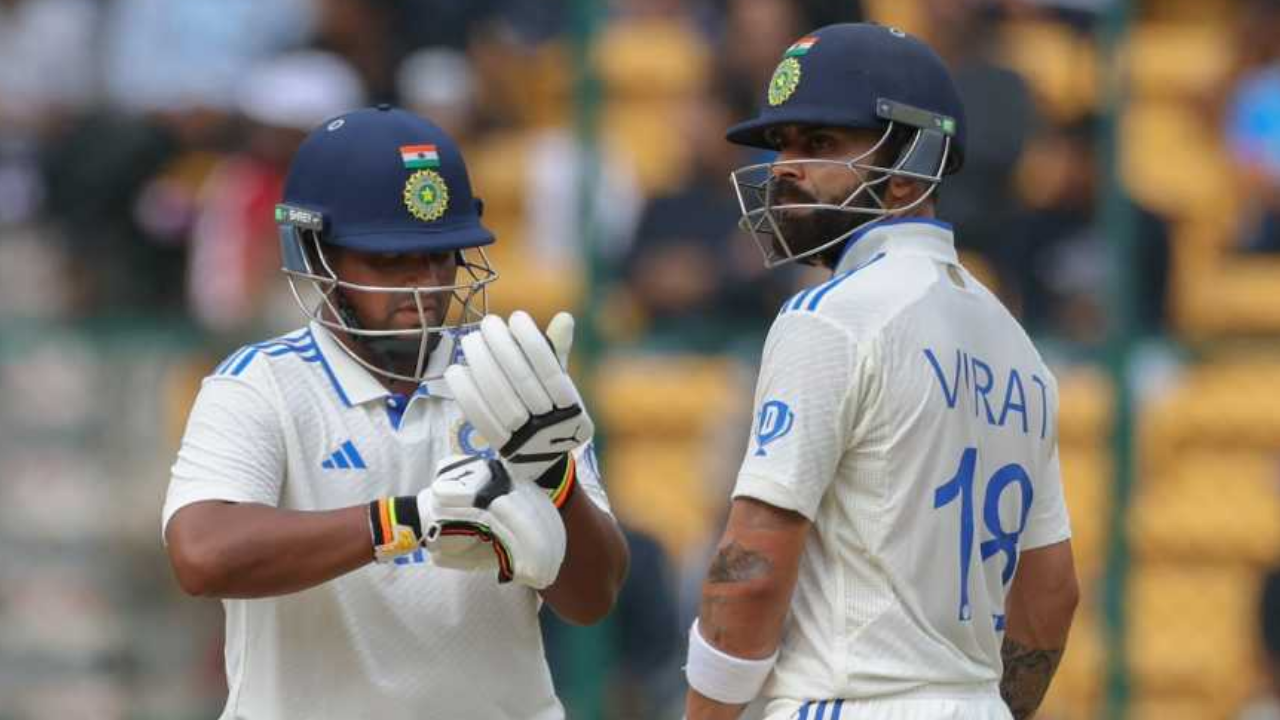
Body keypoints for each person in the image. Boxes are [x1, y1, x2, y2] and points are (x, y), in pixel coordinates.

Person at [161, 105, 629, 719]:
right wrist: (410, 518)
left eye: (442, 256)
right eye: (390, 260)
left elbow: (593, 597)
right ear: (318, 256)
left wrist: (556, 481)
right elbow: (202, 555)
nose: (425, 287)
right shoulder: (259, 385)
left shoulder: (510, 375)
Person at [683, 24, 1079, 720]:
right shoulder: (1020, 350)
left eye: (821, 144)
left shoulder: (830, 317)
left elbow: (750, 565)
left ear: (910, 169)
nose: (784, 168)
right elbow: (1051, 595)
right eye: (783, 146)